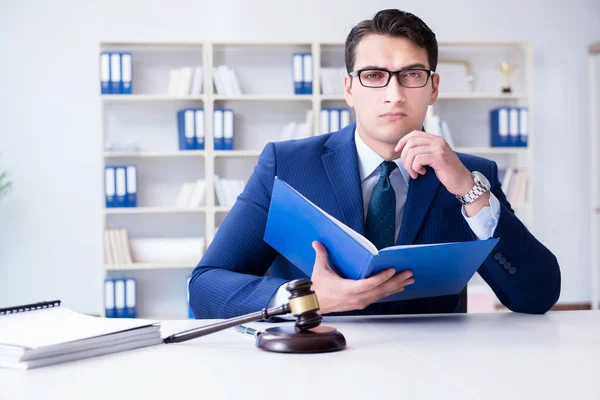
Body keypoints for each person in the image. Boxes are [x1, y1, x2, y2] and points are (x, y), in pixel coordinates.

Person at [189, 9, 560, 318]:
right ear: (349, 89)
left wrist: (470, 191)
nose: (394, 95)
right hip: (315, 363)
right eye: (374, 76)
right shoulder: (286, 165)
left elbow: (537, 295)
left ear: (433, 88)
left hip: (433, 371)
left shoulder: (471, 176)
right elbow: (204, 285)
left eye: (412, 75)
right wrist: (302, 298)